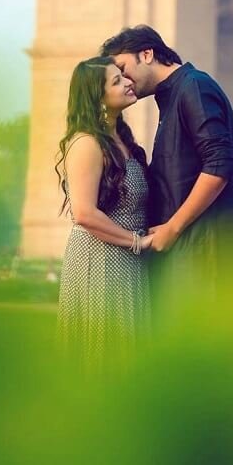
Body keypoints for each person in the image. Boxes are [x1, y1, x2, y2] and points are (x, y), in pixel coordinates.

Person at [100, 26, 233, 338]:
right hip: (190, 253)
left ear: (147, 54)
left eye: (122, 70)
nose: (123, 81)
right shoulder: (174, 96)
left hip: (205, 257)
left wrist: (172, 228)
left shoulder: (194, 88)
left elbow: (218, 164)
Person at [55, 56, 153, 371]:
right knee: (103, 360)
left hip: (127, 260)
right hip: (99, 262)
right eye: (116, 81)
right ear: (98, 98)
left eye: (122, 76)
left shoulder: (121, 140)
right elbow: (83, 213)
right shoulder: (86, 144)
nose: (127, 82)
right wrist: (137, 242)